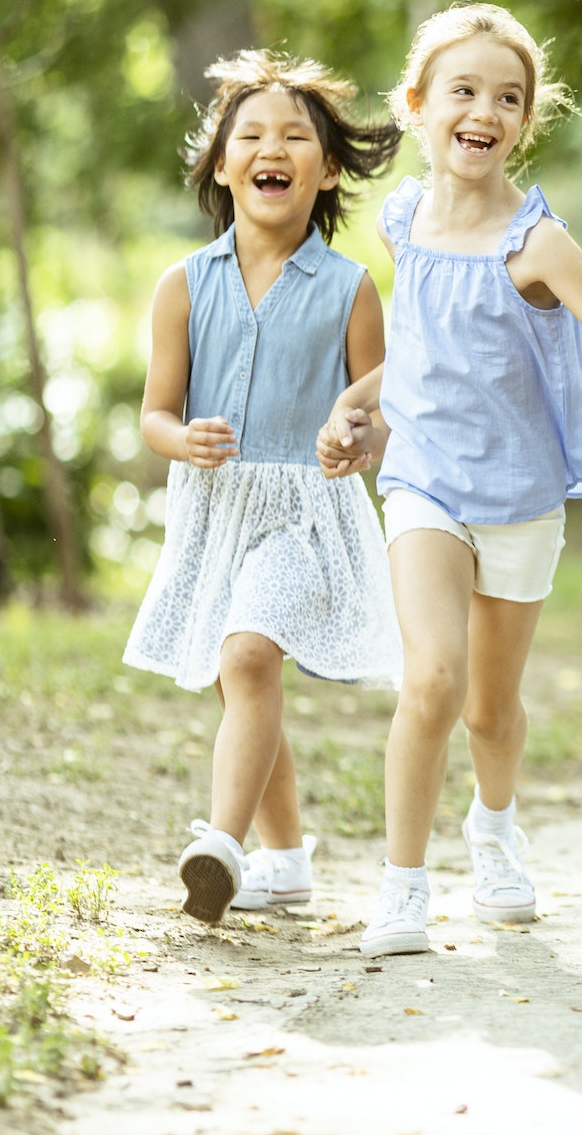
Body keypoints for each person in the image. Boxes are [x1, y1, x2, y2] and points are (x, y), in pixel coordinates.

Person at [316, 3, 582, 958]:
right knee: (429, 676)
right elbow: (422, 354)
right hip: (424, 484)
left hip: (522, 496)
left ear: (524, 122)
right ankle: (403, 886)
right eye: (462, 91)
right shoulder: (402, 221)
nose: (485, 110)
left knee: (490, 706)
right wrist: (357, 405)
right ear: (418, 107)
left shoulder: (537, 242)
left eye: (509, 97)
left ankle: (495, 834)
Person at [126, 50, 403, 925]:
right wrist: (184, 438)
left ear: (325, 173)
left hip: (303, 515)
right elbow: (154, 415)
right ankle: (286, 858)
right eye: (251, 135)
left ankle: (222, 843)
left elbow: (383, 406)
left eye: (295, 137)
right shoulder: (184, 285)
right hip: (215, 509)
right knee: (241, 679)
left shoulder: (351, 290)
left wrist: (355, 438)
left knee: (247, 657)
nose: (271, 147)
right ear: (221, 164)